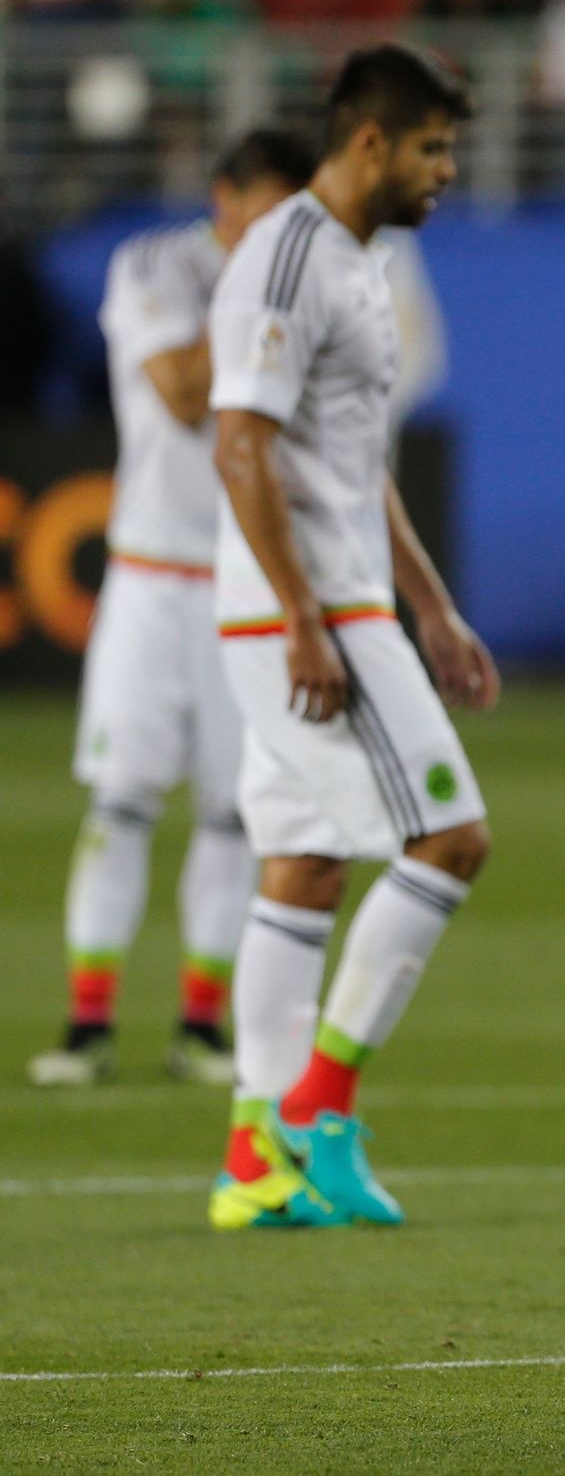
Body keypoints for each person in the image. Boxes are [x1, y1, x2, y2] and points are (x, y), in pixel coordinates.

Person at [205, 45, 497, 1233]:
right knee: (450, 837)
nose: (447, 171)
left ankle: (250, 1158)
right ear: (370, 140)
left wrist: (431, 604)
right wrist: (313, 620)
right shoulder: (284, 257)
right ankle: (316, 1113)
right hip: (306, 611)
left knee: (303, 867)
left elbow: (349, 461)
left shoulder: (363, 264)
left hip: (332, 603)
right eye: (433, 148)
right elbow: (241, 444)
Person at [28, 130, 318, 1091]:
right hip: (150, 578)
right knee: (121, 800)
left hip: (243, 580)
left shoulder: (301, 281)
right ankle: (87, 1023)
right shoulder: (156, 263)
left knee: (234, 815)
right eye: (266, 212)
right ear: (224, 200)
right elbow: (186, 394)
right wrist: (254, 293)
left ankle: (200, 1022)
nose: (281, 232)